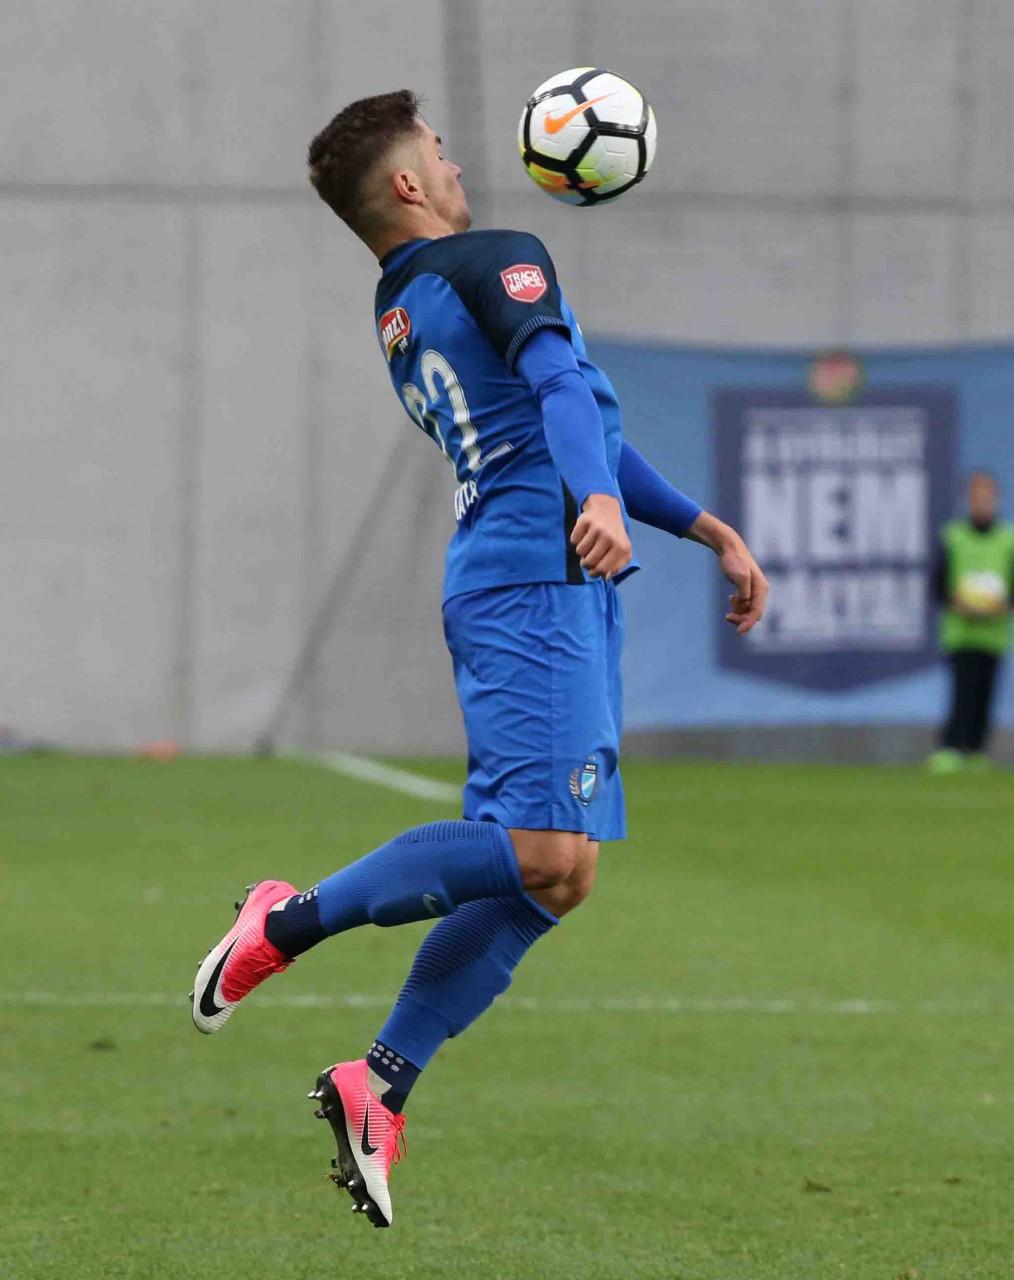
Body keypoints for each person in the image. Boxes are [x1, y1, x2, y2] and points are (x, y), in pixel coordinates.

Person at [190, 91, 768, 1229]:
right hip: (530, 582)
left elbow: (580, 415)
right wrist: (595, 496)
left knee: (563, 873)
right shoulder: (499, 258)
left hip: (551, 581)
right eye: (441, 153)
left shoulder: (403, 304)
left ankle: (379, 1083)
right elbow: (557, 395)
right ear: (409, 184)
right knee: (541, 847)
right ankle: (283, 921)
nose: (458, 166)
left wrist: (704, 527)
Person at [928, 470, 1014, 773]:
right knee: (962, 692)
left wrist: (1001, 606)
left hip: (993, 633)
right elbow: (938, 585)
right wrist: (960, 603)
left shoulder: (1008, 540)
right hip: (961, 632)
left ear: (996, 500)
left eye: (987, 497)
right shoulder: (954, 537)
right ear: (968, 500)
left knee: (985, 695)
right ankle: (952, 747)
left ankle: (976, 749)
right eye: (977, 497)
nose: (982, 503)